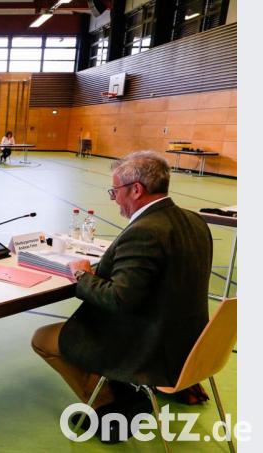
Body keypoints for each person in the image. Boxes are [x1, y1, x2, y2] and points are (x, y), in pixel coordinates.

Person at [31, 151, 213, 443]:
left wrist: (82, 276)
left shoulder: (146, 231)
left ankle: (112, 407)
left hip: (151, 349)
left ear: (136, 189)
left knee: (44, 338)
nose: (114, 198)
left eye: (115, 191)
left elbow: (118, 299)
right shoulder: (194, 221)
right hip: (193, 345)